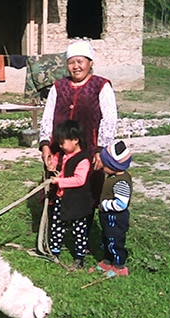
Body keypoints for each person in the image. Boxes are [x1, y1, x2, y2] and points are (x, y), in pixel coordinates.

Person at [39, 39, 118, 222]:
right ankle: (55, 232)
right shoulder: (59, 87)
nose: (76, 66)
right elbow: (48, 117)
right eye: (71, 62)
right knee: (56, 186)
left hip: (89, 150)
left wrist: (101, 149)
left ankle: (82, 234)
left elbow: (110, 119)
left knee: (87, 191)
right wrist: (45, 144)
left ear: (90, 63)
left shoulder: (101, 86)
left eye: (80, 61)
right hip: (59, 149)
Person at [47, 120, 94, 269]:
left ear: (75, 140)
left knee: (79, 229)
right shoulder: (63, 154)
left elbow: (79, 180)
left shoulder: (83, 159)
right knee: (56, 225)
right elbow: (56, 160)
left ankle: (80, 257)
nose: (60, 146)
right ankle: (54, 251)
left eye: (63, 143)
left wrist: (59, 181)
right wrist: (52, 164)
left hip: (77, 201)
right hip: (62, 198)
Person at [96, 140, 133, 277]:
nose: (103, 166)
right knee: (106, 238)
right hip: (108, 216)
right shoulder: (113, 176)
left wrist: (105, 204)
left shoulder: (121, 182)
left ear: (114, 166)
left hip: (115, 217)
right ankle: (107, 260)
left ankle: (119, 265)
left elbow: (121, 204)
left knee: (115, 240)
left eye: (105, 164)